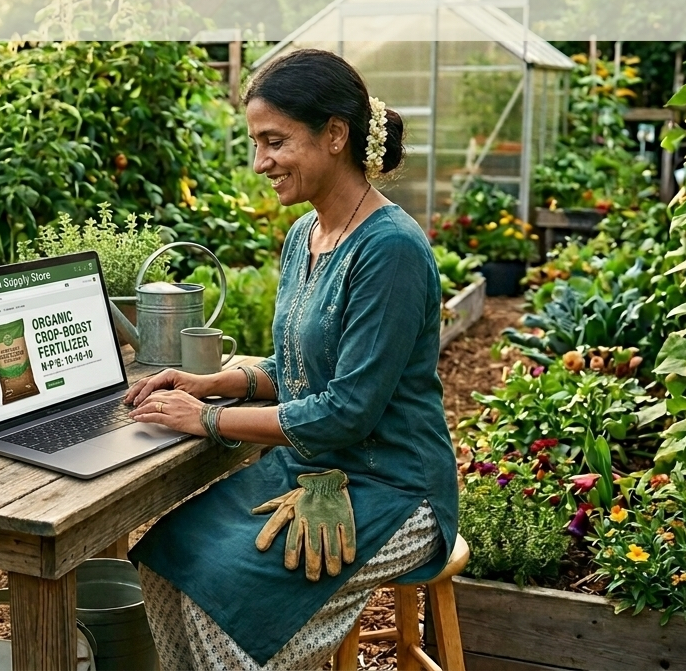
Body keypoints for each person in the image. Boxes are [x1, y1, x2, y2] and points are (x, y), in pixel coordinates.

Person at [124, 48, 458, 670]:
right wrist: (209, 383)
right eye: (256, 143)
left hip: (393, 486)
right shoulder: (305, 235)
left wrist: (208, 420)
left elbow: (346, 410)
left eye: (275, 142)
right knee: (167, 558)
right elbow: (297, 368)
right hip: (313, 465)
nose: (261, 163)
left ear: (335, 134)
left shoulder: (391, 251)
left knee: (228, 604)